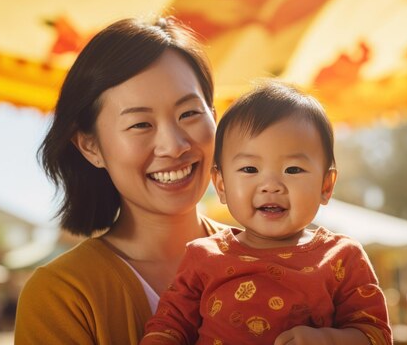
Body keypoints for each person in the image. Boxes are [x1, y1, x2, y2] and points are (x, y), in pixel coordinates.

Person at [14, 17, 229, 344]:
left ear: (214, 117)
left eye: (189, 114)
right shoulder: (63, 294)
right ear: (90, 146)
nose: (173, 146)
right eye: (141, 124)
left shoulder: (281, 259)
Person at [141, 81, 392, 345]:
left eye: (293, 170)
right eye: (250, 169)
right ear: (222, 186)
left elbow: (376, 335)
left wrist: (327, 339)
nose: (271, 186)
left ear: (325, 186)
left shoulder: (342, 259)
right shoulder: (203, 257)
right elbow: (169, 326)